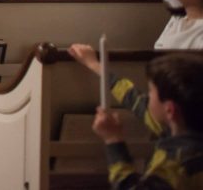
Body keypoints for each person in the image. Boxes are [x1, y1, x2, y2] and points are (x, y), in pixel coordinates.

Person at [67, 48, 203, 189]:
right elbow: (134, 99)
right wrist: (95, 65)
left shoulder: (174, 164)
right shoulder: (177, 126)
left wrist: (113, 140)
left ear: (169, 110)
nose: (147, 97)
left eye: (150, 92)